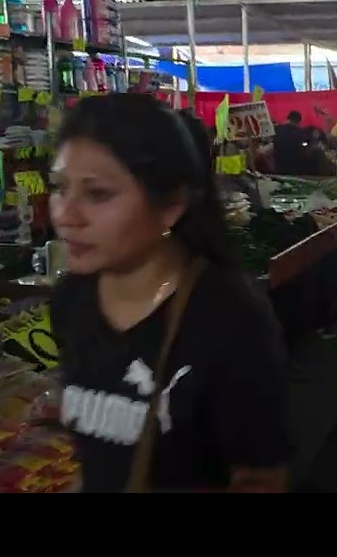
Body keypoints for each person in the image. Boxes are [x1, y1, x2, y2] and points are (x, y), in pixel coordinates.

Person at [48, 94, 291, 493]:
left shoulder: (228, 319)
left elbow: (261, 478)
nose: (66, 215)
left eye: (98, 194)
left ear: (171, 206)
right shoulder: (72, 300)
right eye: (59, 187)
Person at [272, 110, 310, 175]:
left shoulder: (277, 129)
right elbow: (305, 146)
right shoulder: (300, 132)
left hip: (279, 167)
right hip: (296, 167)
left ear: (288, 118)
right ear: (298, 121)